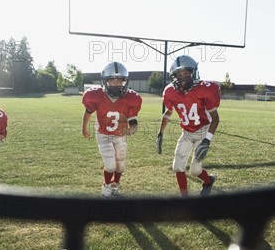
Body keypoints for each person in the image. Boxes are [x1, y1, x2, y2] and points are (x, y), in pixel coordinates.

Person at [157, 55, 220, 197]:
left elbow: (215, 119)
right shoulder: (170, 92)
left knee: (195, 171)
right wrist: (160, 133)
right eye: (179, 75)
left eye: (186, 73)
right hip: (186, 132)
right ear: (174, 77)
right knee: (177, 166)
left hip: (203, 130)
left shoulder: (206, 89)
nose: (183, 77)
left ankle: (208, 180)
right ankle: (184, 197)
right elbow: (168, 113)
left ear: (194, 73)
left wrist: (207, 140)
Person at [82, 61, 143, 197]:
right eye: (112, 81)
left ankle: (115, 184)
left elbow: (133, 121)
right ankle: (106, 185)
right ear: (105, 81)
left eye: (119, 80)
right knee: (110, 165)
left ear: (125, 82)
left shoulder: (131, 98)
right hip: (103, 134)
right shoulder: (96, 96)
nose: (116, 84)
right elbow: (88, 112)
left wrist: (133, 128)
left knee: (120, 165)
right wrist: (84, 127)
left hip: (119, 135)